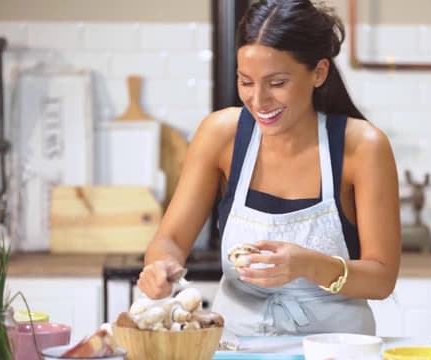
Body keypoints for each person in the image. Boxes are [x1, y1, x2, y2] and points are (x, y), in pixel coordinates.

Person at [137, 0, 401, 336]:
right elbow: (171, 239)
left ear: (318, 72)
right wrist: (159, 266)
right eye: (246, 81)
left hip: (335, 349)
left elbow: (381, 279)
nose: (258, 101)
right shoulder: (221, 135)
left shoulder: (363, 147)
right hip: (235, 347)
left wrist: (307, 265)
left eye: (276, 83)